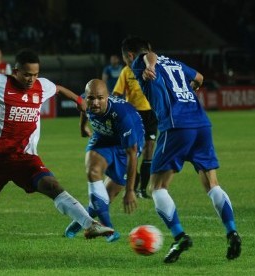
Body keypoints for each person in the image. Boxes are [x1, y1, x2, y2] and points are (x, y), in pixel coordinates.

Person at [0, 49, 114, 254]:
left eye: (35, 74)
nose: (31, 79)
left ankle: (90, 225)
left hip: (26, 158)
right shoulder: (0, 82)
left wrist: (78, 100)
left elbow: (59, 88)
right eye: (26, 74)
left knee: (52, 186)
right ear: (16, 71)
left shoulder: (41, 86)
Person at [121, 36, 241, 263]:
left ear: (129, 55)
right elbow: (199, 78)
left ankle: (179, 236)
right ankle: (232, 231)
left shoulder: (139, 61)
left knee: (157, 187)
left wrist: (148, 65)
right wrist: (191, 89)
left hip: (176, 126)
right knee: (212, 184)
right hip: (201, 124)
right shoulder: (174, 63)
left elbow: (148, 56)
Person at [64, 79, 144, 242]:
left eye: (100, 98)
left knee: (104, 198)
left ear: (108, 97)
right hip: (102, 138)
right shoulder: (85, 101)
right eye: (91, 98)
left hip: (127, 146)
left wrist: (130, 190)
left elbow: (132, 153)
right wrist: (82, 127)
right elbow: (83, 108)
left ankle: (79, 223)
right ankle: (110, 231)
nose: (95, 102)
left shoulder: (122, 115)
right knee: (93, 172)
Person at [113, 60, 158, 199]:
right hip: (133, 114)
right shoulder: (127, 71)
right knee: (132, 151)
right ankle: (133, 185)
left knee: (149, 149)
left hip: (151, 113)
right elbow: (117, 92)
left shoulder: (154, 69)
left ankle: (143, 190)